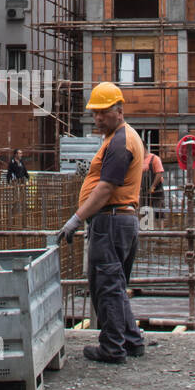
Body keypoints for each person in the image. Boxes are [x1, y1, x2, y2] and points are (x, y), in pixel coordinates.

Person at [56, 82, 147, 364]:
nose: (97, 118)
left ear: (119, 111)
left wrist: (76, 219)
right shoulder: (121, 137)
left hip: (111, 221)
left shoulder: (121, 141)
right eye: (94, 113)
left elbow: (106, 188)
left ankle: (112, 347)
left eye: (103, 112)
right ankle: (131, 339)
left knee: (106, 283)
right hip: (119, 220)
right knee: (115, 283)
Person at [140, 149, 164, 214]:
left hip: (156, 191)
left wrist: (153, 187)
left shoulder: (155, 158)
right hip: (144, 191)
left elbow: (159, 173)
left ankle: (158, 223)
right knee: (144, 212)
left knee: (158, 211)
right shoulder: (139, 159)